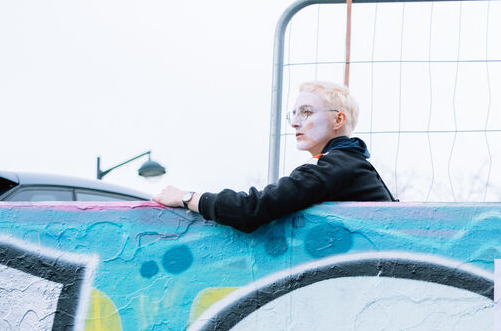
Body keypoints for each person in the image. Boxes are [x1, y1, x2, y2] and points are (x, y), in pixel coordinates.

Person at [154, 80, 395, 231]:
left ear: (338, 119)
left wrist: (186, 197)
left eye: (306, 112)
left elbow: (252, 210)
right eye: (294, 114)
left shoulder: (337, 165)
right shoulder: (347, 162)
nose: (295, 123)